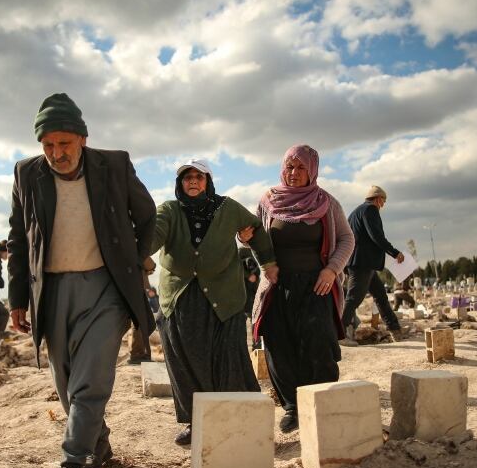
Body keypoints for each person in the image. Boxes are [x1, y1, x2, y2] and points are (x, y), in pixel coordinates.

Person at [7, 93, 156, 468]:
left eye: (65, 144)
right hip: (52, 291)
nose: (57, 153)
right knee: (68, 383)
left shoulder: (114, 165)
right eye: (48, 145)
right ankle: (98, 446)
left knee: (93, 377)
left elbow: (148, 216)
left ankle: (71, 462)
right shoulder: (26, 174)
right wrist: (17, 298)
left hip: (106, 288)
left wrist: (136, 258)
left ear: (83, 139)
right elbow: (20, 240)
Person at [151, 159, 277, 446]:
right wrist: (139, 249)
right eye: (187, 178)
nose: (193, 182)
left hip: (224, 297)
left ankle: (242, 421)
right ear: (179, 183)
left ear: (208, 181)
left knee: (229, 358)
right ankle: (198, 423)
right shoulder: (169, 210)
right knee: (185, 361)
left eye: (199, 177)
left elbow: (255, 230)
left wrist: (268, 263)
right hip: (180, 298)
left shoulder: (227, 208)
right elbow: (153, 235)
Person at [250, 144, 354, 433]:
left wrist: (332, 269)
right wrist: (264, 263)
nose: (293, 173)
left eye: (300, 168)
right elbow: (255, 237)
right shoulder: (268, 201)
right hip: (277, 286)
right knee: (278, 345)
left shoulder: (326, 203)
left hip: (316, 284)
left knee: (318, 341)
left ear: (313, 171)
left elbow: (347, 239)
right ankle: (292, 407)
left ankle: (321, 403)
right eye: (289, 167)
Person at [341, 185, 405, 341]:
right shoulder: (370, 210)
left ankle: (395, 330)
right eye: (383, 201)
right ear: (377, 199)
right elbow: (376, 235)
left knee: (381, 297)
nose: (383, 205)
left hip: (361, 262)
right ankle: (339, 334)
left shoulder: (356, 212)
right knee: (353, 298)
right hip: (362, 263)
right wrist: (395, 252)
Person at [128, 256, 157, 365]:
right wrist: (152, 267)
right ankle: (138, 354)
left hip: (137, 288)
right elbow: (149, 263)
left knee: (143, 322)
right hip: (137, 288)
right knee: (140, 321)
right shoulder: (134, 244)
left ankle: (139, 353)